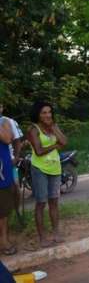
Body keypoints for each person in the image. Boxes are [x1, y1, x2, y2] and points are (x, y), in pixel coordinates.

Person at [27, 101, 67, 248]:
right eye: (44, 112)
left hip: (55, 168)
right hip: (40, 169)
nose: (47, 115)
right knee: (41, 202)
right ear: (37, 114)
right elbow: (38, 151)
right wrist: (56, 145)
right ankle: (42, 238)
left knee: (54, 201)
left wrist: (53, 129)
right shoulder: (33, 129)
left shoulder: (53, 126)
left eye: (49, 112)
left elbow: (65, 141)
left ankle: (56, 234)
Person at [0, 103, 25, 226]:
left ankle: (17, 214)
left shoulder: (9, 121)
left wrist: (15, 157)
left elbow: (16, 140)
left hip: (8, 161)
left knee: (14, 188)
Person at [0, 118, 17, 255]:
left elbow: (7, 139)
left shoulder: (4, 122)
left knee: (4, 211)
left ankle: (4, 240)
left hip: (3, 175)